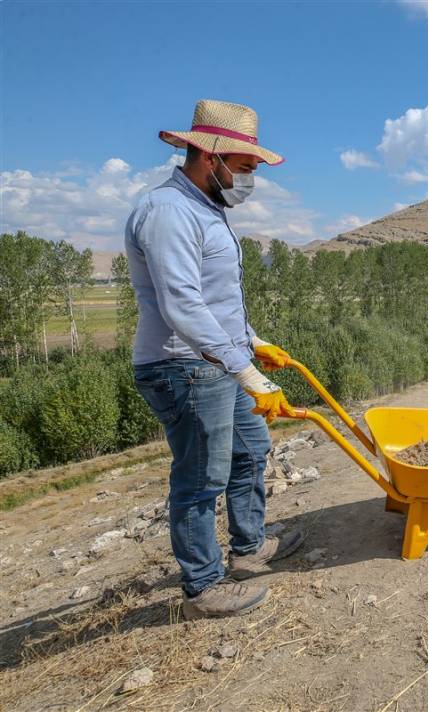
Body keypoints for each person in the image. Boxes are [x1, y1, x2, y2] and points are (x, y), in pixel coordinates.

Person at [126, 99, 303, 619]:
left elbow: (219, 297)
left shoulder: (207, 208)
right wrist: (245, 369)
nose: (249, 180)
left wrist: (253, 341)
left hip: (220, 361)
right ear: (210, 156)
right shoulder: (168, 212)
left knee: (251, 450)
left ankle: (249, 548)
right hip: (184, 366)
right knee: (201, 477)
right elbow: (182, 305)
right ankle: (203, 586)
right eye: (245, 169)